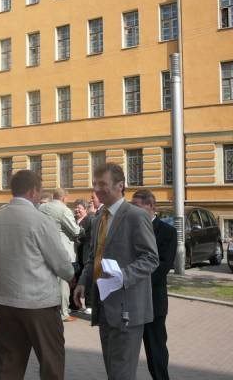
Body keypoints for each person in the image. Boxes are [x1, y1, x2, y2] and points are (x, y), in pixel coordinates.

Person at [0, 170, 74, 380]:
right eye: (40, 191)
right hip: (39, 303)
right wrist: (70, 274)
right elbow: (63, 266)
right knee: (51, 362)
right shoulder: (40, 220)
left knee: (8, 364)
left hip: (6, 302)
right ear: (34, 191)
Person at [74, 163, 159, 380]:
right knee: (113, 371)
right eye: (94, 184)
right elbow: (94, 257)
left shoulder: (136, 216)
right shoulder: (99, 218)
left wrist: (122, 275)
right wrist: (83, 281)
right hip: (104, 307)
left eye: (102, 184)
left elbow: (151, 258)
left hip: (127, 309)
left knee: (122, 374)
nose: (96, 189)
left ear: (120, 185)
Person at [131, 189, 177, 380]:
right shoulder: (129, 229)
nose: (133, 211)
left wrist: (133, 279)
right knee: (127, 352)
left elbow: (163, 266)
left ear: (150, 206)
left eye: (137, 206)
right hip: (130, 301)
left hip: (153, 301)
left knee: (155, 350)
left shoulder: (167, 232)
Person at [39, 188, 80, 322]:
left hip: (44, 249)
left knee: (48, 282)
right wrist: (82, 230)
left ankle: (47, 310)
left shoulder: (42, 207)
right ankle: (63, 313)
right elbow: (75, 230)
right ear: (64, 198)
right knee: (63, 282)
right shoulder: (64, 210)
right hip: (62, 251)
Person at [74, 199, 94, 314]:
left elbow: (89, 236)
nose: (77, 210)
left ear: (85, 210)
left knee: (88, 278)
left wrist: (78, 236)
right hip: (76, 254)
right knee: (77, 277)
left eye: (79, 208)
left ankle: (89, 304)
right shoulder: (73, 219)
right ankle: (76, 305)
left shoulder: (89, 219)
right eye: (76, 207)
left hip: (86, 252)